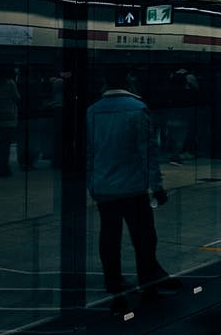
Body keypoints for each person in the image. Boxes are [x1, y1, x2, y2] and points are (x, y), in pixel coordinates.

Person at [86, 67, 178, 314]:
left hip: (104, 187)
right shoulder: (138, 109)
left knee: (109, 237)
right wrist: (157, 186)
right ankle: (148, 285)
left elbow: (89, 153)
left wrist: (91, 182)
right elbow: (148, 152)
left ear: (105, 82)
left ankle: (113, 281)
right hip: (133, 188)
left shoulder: (92, 111)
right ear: (128, 82)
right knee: (144, 238)